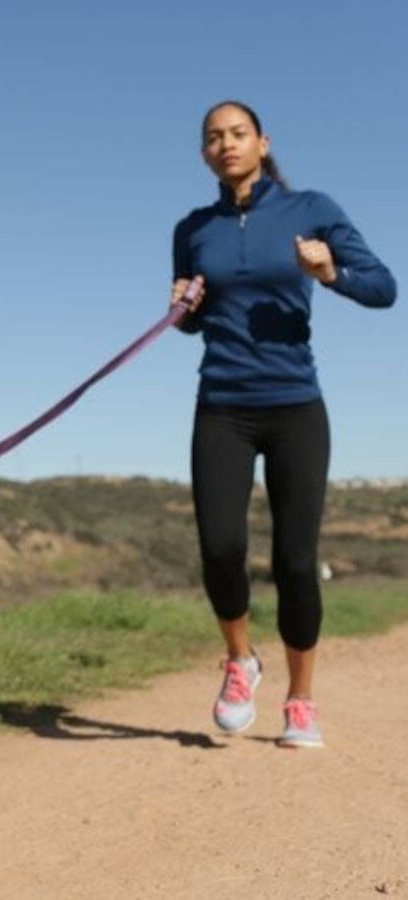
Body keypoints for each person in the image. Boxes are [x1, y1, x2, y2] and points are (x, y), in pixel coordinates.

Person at [170, 100, 397, 748]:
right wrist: (183, 308)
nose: (226, 144)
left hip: (296, 406)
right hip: (222, 406)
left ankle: (301, 699)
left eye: (237, 133)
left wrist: (330, 273)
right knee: (220, 547)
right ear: (205, 153)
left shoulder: (310, 210)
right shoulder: (193, 228)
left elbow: (385, 286)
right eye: (214, 137)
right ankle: (241, 660)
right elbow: (191, 316)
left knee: (295, 561)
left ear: (263, 143)